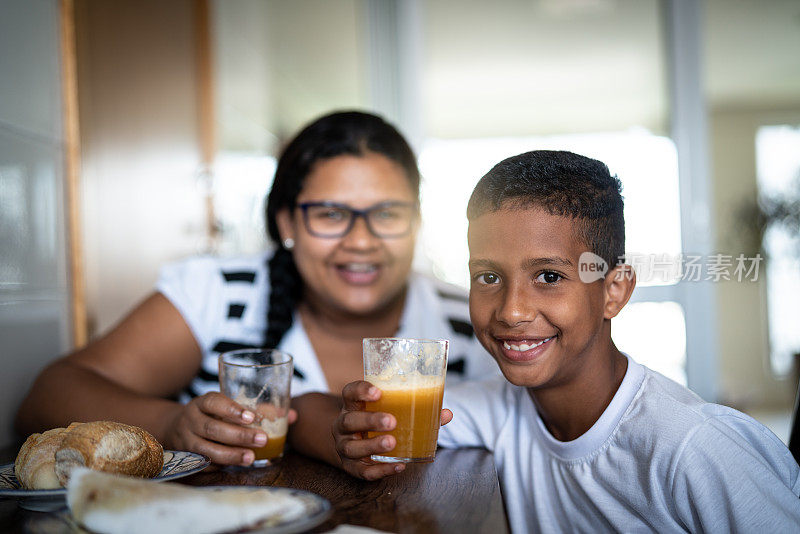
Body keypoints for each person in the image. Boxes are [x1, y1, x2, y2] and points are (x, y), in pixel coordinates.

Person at [293, 150, 800, 532]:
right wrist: (352, 435)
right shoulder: (501, 410)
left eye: (550, 277)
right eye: (488, 277)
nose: (512, 310)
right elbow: (307, 408)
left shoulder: (695, 448)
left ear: (614, 290)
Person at [14, 110, 496, 466]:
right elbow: (46, 397)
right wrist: (173, 424)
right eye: (331, 214)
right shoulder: (216, 291)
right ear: (286, 221)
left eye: (387, 214)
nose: (361, 241)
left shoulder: (473, 315)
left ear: (417, 221)